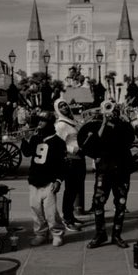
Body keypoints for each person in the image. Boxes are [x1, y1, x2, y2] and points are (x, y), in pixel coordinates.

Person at [83, 102, 135, 248]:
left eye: (113, 108)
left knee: (121, 203)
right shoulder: (99, 125)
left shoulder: (124, 125)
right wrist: (104, 122)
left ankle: (116, 235)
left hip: (121, 169)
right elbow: (94, 142)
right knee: (98, 202)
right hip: (104, 170)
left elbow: (129, 140)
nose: (111, 111)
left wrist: (122, 120)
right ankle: (100, 234)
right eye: (107, 107)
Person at [24, 111, 67, 246]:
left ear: (50, 123)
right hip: (34, 180)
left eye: (43, 121)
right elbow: (27, 153)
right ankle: (41, 233)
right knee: (36, 209)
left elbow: (62, 164)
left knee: (51, 212)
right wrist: (25, 139)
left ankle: (57, 233)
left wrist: (58, 180)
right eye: (39, 120)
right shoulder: (35, 138)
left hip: (49, 181)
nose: (39, 123)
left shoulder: (58, 142)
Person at [54, 98, 87, 230]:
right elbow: (58, 144)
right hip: (71, 159)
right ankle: (67, 219)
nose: (64, 108)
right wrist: (74, 149)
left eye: (65, 105)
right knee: (70, 190)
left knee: (76, 189)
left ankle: (71, 216)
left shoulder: (71, 121)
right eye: (61, 106)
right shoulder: (61, 125)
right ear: (57, 109)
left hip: (79, 158)